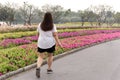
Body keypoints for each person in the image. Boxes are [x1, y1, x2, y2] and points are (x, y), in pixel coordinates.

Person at [36, 12, 62, 78]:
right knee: (50, 56)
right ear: (51, 18)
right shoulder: (53, 25)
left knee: (40, 56)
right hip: (50, 43)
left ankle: (38, 67)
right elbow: (55, 35)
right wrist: (59, 42)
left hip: (41, 42)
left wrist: (38, 41)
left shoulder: (40, 25)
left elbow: (38, 34)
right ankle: (49, 69)